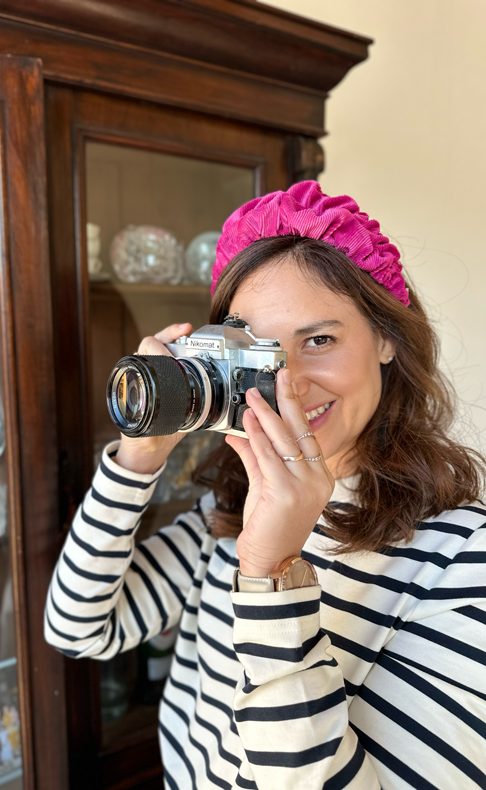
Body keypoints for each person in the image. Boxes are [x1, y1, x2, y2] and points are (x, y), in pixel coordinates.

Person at [44, 181, 486, 789]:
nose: (289, 385)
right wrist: (139, 456)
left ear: (387, 338)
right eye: (260, 354)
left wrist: (272, 572)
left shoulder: (462, 562)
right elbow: (77, 627)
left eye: (320, 340)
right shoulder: (228, 511)